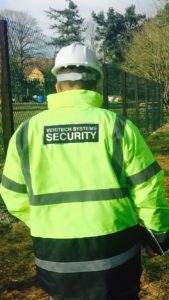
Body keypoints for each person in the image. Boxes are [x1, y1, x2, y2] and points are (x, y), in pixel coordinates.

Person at [0, 42, 169, 300]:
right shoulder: (119, 128)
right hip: (115, 256)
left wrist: (46, 222)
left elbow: (12, 195)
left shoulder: (25, 133)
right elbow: (147, 187)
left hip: (55, 258)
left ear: (57, 86)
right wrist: (157, 235)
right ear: (98, 85)